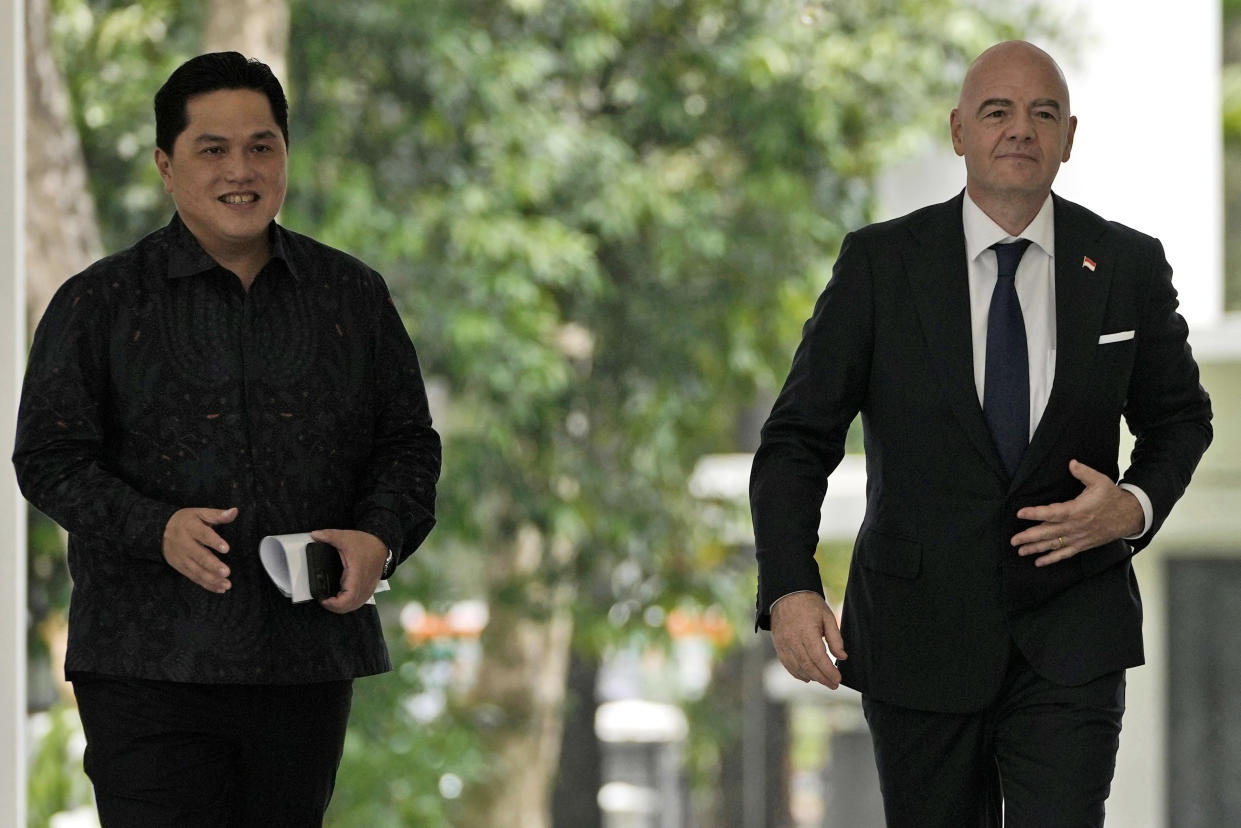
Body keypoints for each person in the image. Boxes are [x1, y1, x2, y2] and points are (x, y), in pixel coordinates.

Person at [750, 40, 1212, 827]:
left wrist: (1130, 505)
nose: (1020, 130)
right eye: (997, 112)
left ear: (1069, 137)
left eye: (1042, 114)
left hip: (1072, 638)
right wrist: (790, 587)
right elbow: (797, 439)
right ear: (958, 130)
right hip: (915, 635)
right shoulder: (879, 264)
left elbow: (1180, 420)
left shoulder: (1127, 264)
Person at [13, 52, 441, 826]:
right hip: (148, 664)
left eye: (261, 145)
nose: (239, 169)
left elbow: (408, 445)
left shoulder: (351, 295)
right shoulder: (100, 301)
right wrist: (154, 528)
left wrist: (382, 535)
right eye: (212, 149)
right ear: (165, 166)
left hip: (304, 664)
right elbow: (47, 457)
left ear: (284, 154)